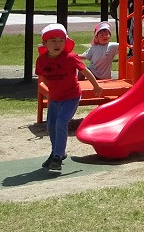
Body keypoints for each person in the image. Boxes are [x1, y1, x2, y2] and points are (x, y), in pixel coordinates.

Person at [35, 23, 102, 172]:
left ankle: (57, 157)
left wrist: (96, 86)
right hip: (54, 98)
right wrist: (48, 91)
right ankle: (56, 151)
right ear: (45, 43)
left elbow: (85, 71)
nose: (57, 44)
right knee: (51, 125)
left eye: (61, 40)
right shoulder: (42, 60)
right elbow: (42, 78)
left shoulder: (70, 58)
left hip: (71, 97)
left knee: (61, 122)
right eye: (53, 41)